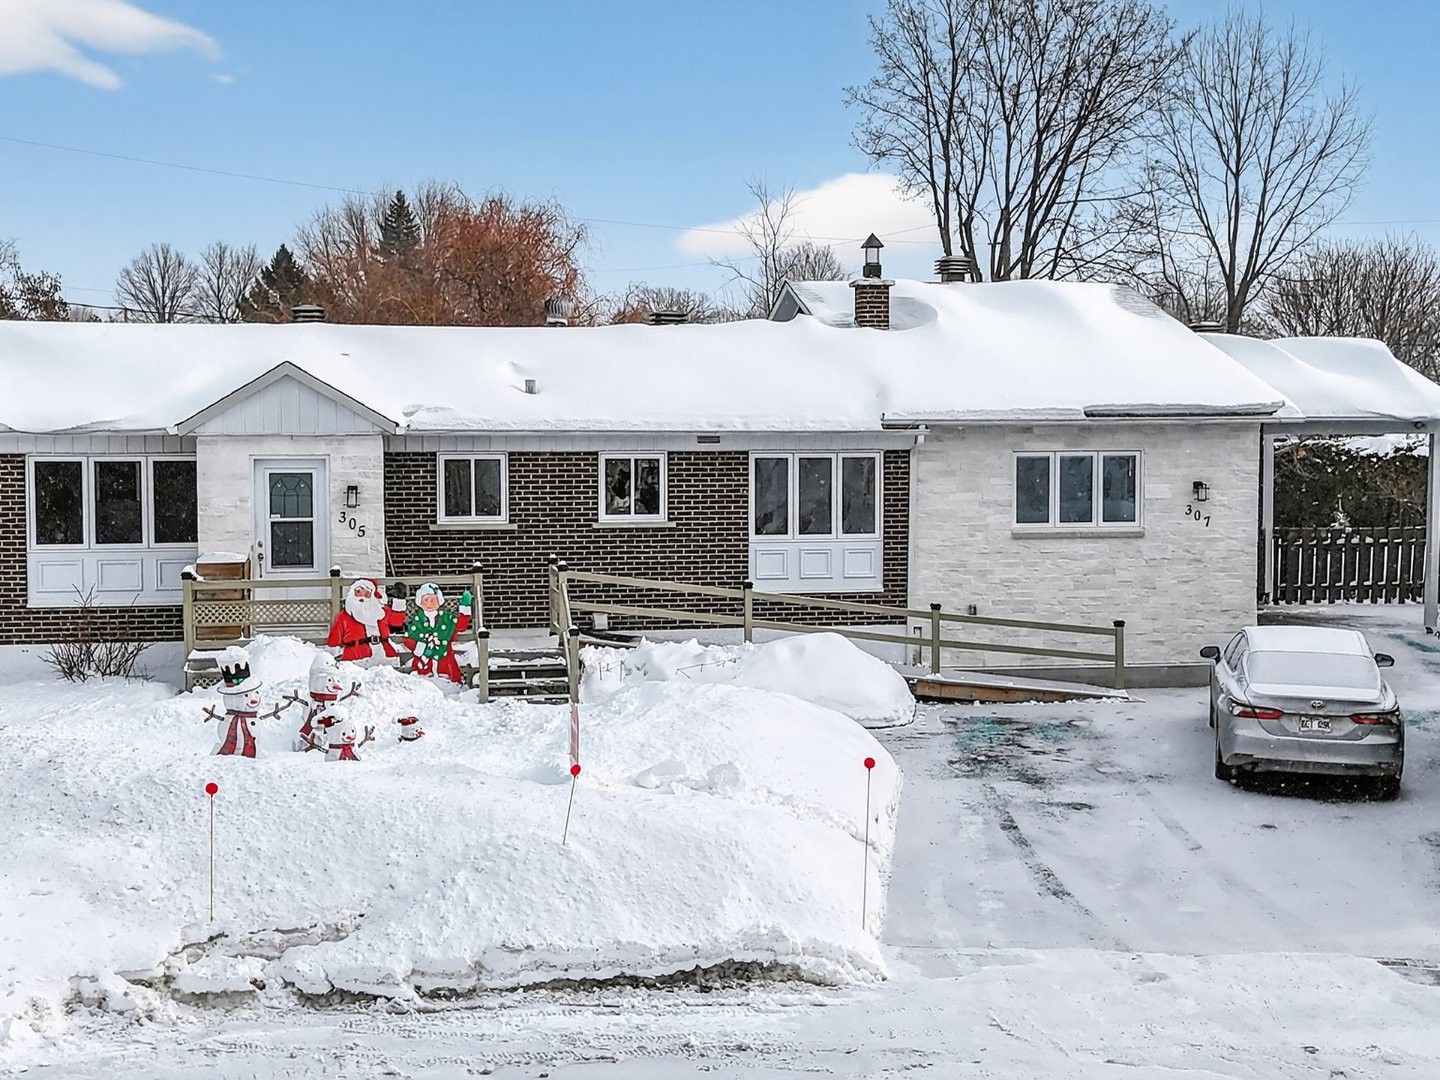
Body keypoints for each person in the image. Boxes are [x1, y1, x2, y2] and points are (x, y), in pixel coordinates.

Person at [402, 583, 472, 683]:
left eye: (432, 600)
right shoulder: (417, 621)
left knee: (449, 689)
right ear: (420, 602)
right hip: (424, 665)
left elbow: (461, 626)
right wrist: (422, 648)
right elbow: (408, 639)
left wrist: (465, 608)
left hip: (445, 662)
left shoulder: (447, 618)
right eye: (426, 600)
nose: (429, 604)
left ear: (439, 601)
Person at [326, 578, 407, 663]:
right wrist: (330, 658)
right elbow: (334, 640)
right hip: (357, 658)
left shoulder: (381, 611)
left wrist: (399, 600)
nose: (362, 597)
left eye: (367, 594)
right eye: (358, 592)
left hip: (385, 656)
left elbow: (396, 622)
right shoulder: (343, 616)